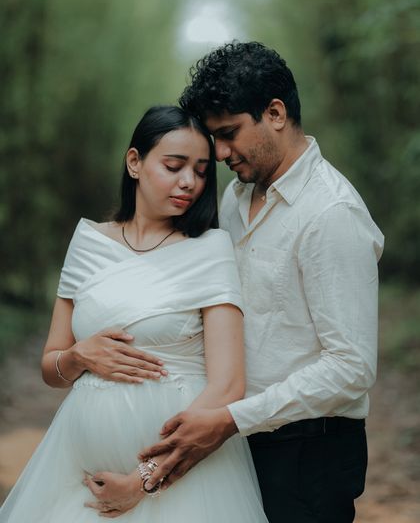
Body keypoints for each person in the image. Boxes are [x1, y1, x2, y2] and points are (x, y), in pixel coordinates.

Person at [127, 42, 385, 523]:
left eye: (229, 134)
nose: (220, 153)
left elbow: (351, 367)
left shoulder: (331, 213)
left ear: (275, 112)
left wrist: (229, 419)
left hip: (310, 450)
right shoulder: (235, 197)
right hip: (237, 439)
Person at [0, 105, 269, 522]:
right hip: (78, 479)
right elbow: (51, 368)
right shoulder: (88, 241)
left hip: (185, 486)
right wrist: (78, 357)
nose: (189, 182)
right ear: (134, 163)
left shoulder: (210, 250)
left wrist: (145, 478)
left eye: (200, 171)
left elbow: (229, 385)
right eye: (174, 165)